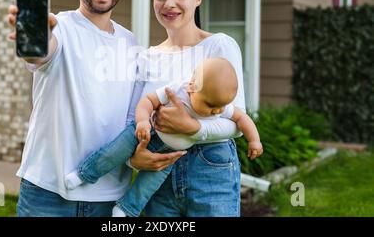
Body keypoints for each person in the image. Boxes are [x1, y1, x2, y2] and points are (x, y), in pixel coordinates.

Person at [7, 0, 185, 217]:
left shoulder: (130, 42)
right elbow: (42, 54)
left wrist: (137, 155)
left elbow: (132, 116)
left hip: (111, 198)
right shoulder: (60, 27)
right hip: (47, 195)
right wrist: (36, 41)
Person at [123, 0, 247, 217]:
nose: (169, 4)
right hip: (157, 176)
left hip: (210, 169)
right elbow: (131, 118)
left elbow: (237, 122)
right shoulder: (146, 57)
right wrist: (133, 159)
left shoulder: (219, 46)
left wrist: (194, 128)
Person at [64, 57, 262, 217]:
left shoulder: (218, 103)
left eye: (221, 106)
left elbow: (240, 118)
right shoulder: (178, 90)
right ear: (192, 87)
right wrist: (142, 122)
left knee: (148, 185)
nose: (216, 111)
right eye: (211, 106)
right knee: (114, 152)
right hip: (147, 130)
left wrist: (254, 140)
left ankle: (126, 210)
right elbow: (147, 101)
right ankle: (85, 173)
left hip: (171, 152)